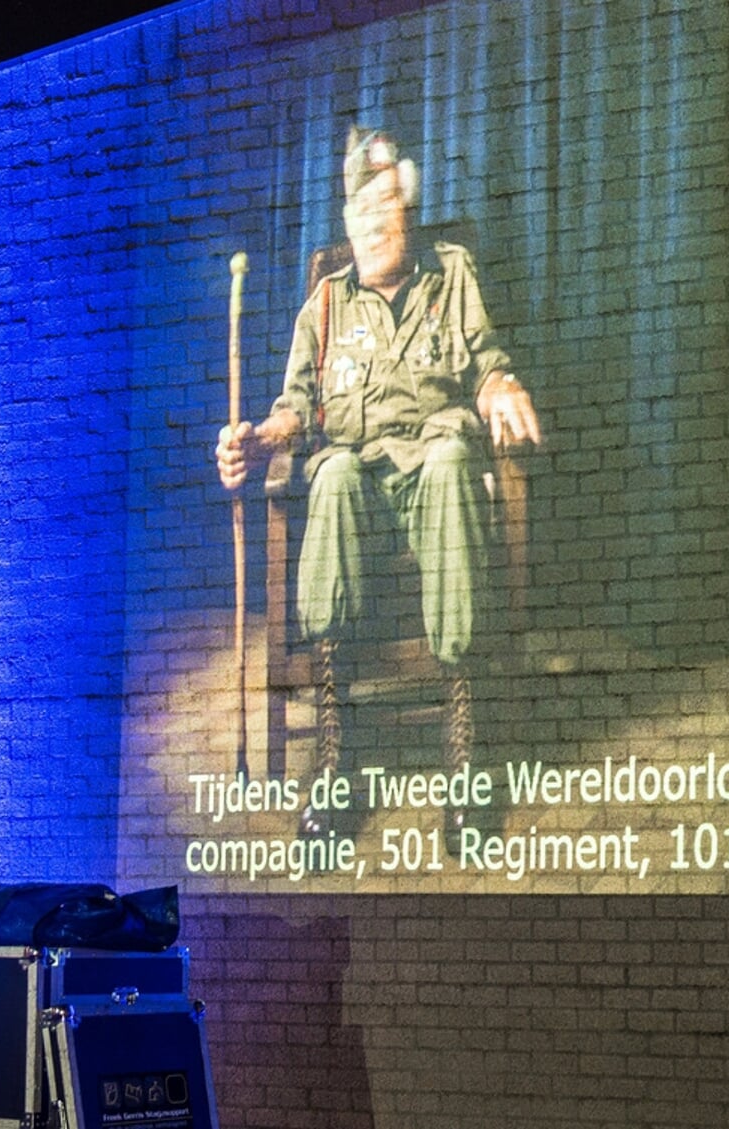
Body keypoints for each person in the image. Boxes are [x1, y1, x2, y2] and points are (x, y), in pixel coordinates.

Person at [215, 127, 540, 830]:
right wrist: (254, 438)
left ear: (408, 211)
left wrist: (502, 389)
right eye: (359, 206)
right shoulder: (324, 306)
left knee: (457, 458)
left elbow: (484, 363)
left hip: (432, 467)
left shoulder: (449, 275)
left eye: (386, 200)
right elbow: (294, 409)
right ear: (345, 221)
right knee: (328, 472)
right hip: (359, 476)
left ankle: (464, 746)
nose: (371, 218)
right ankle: (335, 752)